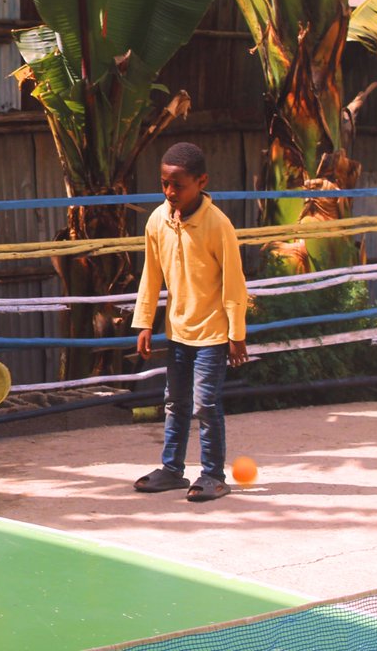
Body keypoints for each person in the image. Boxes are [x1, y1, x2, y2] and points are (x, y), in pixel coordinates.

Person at [131, 142, 248, 502]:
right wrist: (145, 321)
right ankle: (171, 469)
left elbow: (233, 282)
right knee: (175, 402)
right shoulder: (157, 220)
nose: (170, 192)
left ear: (201, 181)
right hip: (178, 330)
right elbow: (151, 275)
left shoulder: (218, 225)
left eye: (178, 185)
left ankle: (213, 475)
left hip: (213, 332)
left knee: (206, 405)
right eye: (165, 183)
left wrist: (236, 333)